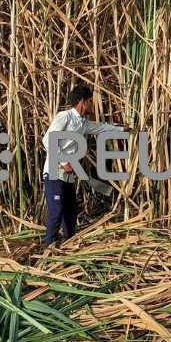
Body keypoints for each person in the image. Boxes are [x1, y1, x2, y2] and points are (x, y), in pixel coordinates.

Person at [41, 85, 125, 248]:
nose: (92, 105)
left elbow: (101, 128)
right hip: (54, 173)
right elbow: (48, 140)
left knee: (70, 212)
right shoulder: (64, 117)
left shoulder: (83, 123)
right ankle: (49, 246)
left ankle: (68, 244)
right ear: (83, 102)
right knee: (56, 211)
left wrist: (122, 129)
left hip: (69, 176)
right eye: (90, 101)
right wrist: (64, 162)